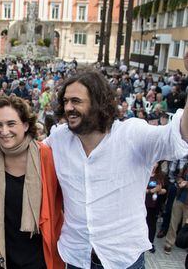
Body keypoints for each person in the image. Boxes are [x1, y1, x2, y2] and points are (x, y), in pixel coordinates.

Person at [43, 69, 188, 269]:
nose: (68, 107)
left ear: (97, 102)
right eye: (65, 101)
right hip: (77, 257)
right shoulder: (59, 138)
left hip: (124, 260)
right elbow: (30, 155)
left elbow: (179, 135)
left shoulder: (132, 134)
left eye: (76, 101)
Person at [0, 95, 64, 269]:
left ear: (26, 125)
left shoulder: (47, 155)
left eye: (11, 124)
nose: (4, 131)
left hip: (41, 257)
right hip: (3, 257)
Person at [145, 162, 166, 253]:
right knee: (142, 223)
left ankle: (150, 243)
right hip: (143, 203)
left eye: (156, 163)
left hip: (154, 205)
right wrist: (151, 190)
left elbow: (165, 190)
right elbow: (140, 188)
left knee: (152, 224)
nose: (154, 165)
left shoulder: (160, 176)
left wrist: (160, 190)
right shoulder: (144, 173)